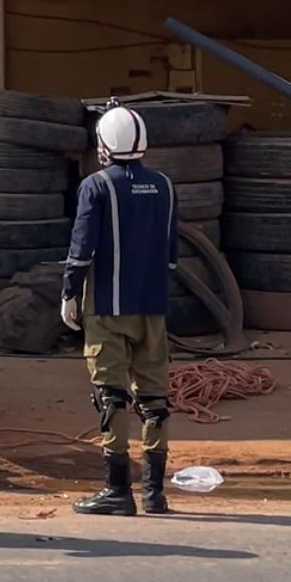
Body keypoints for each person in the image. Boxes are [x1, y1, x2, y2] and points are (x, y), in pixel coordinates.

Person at [62, 104, 178, 517]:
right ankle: (155, 494)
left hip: (108, 307)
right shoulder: (164, 186)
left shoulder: (96, 186)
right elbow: (171, 255)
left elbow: (81, 250)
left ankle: (117, 490)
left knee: (109, 396)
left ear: (105, 145)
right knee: (155, 398)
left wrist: (69, 293)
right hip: (153, 307)